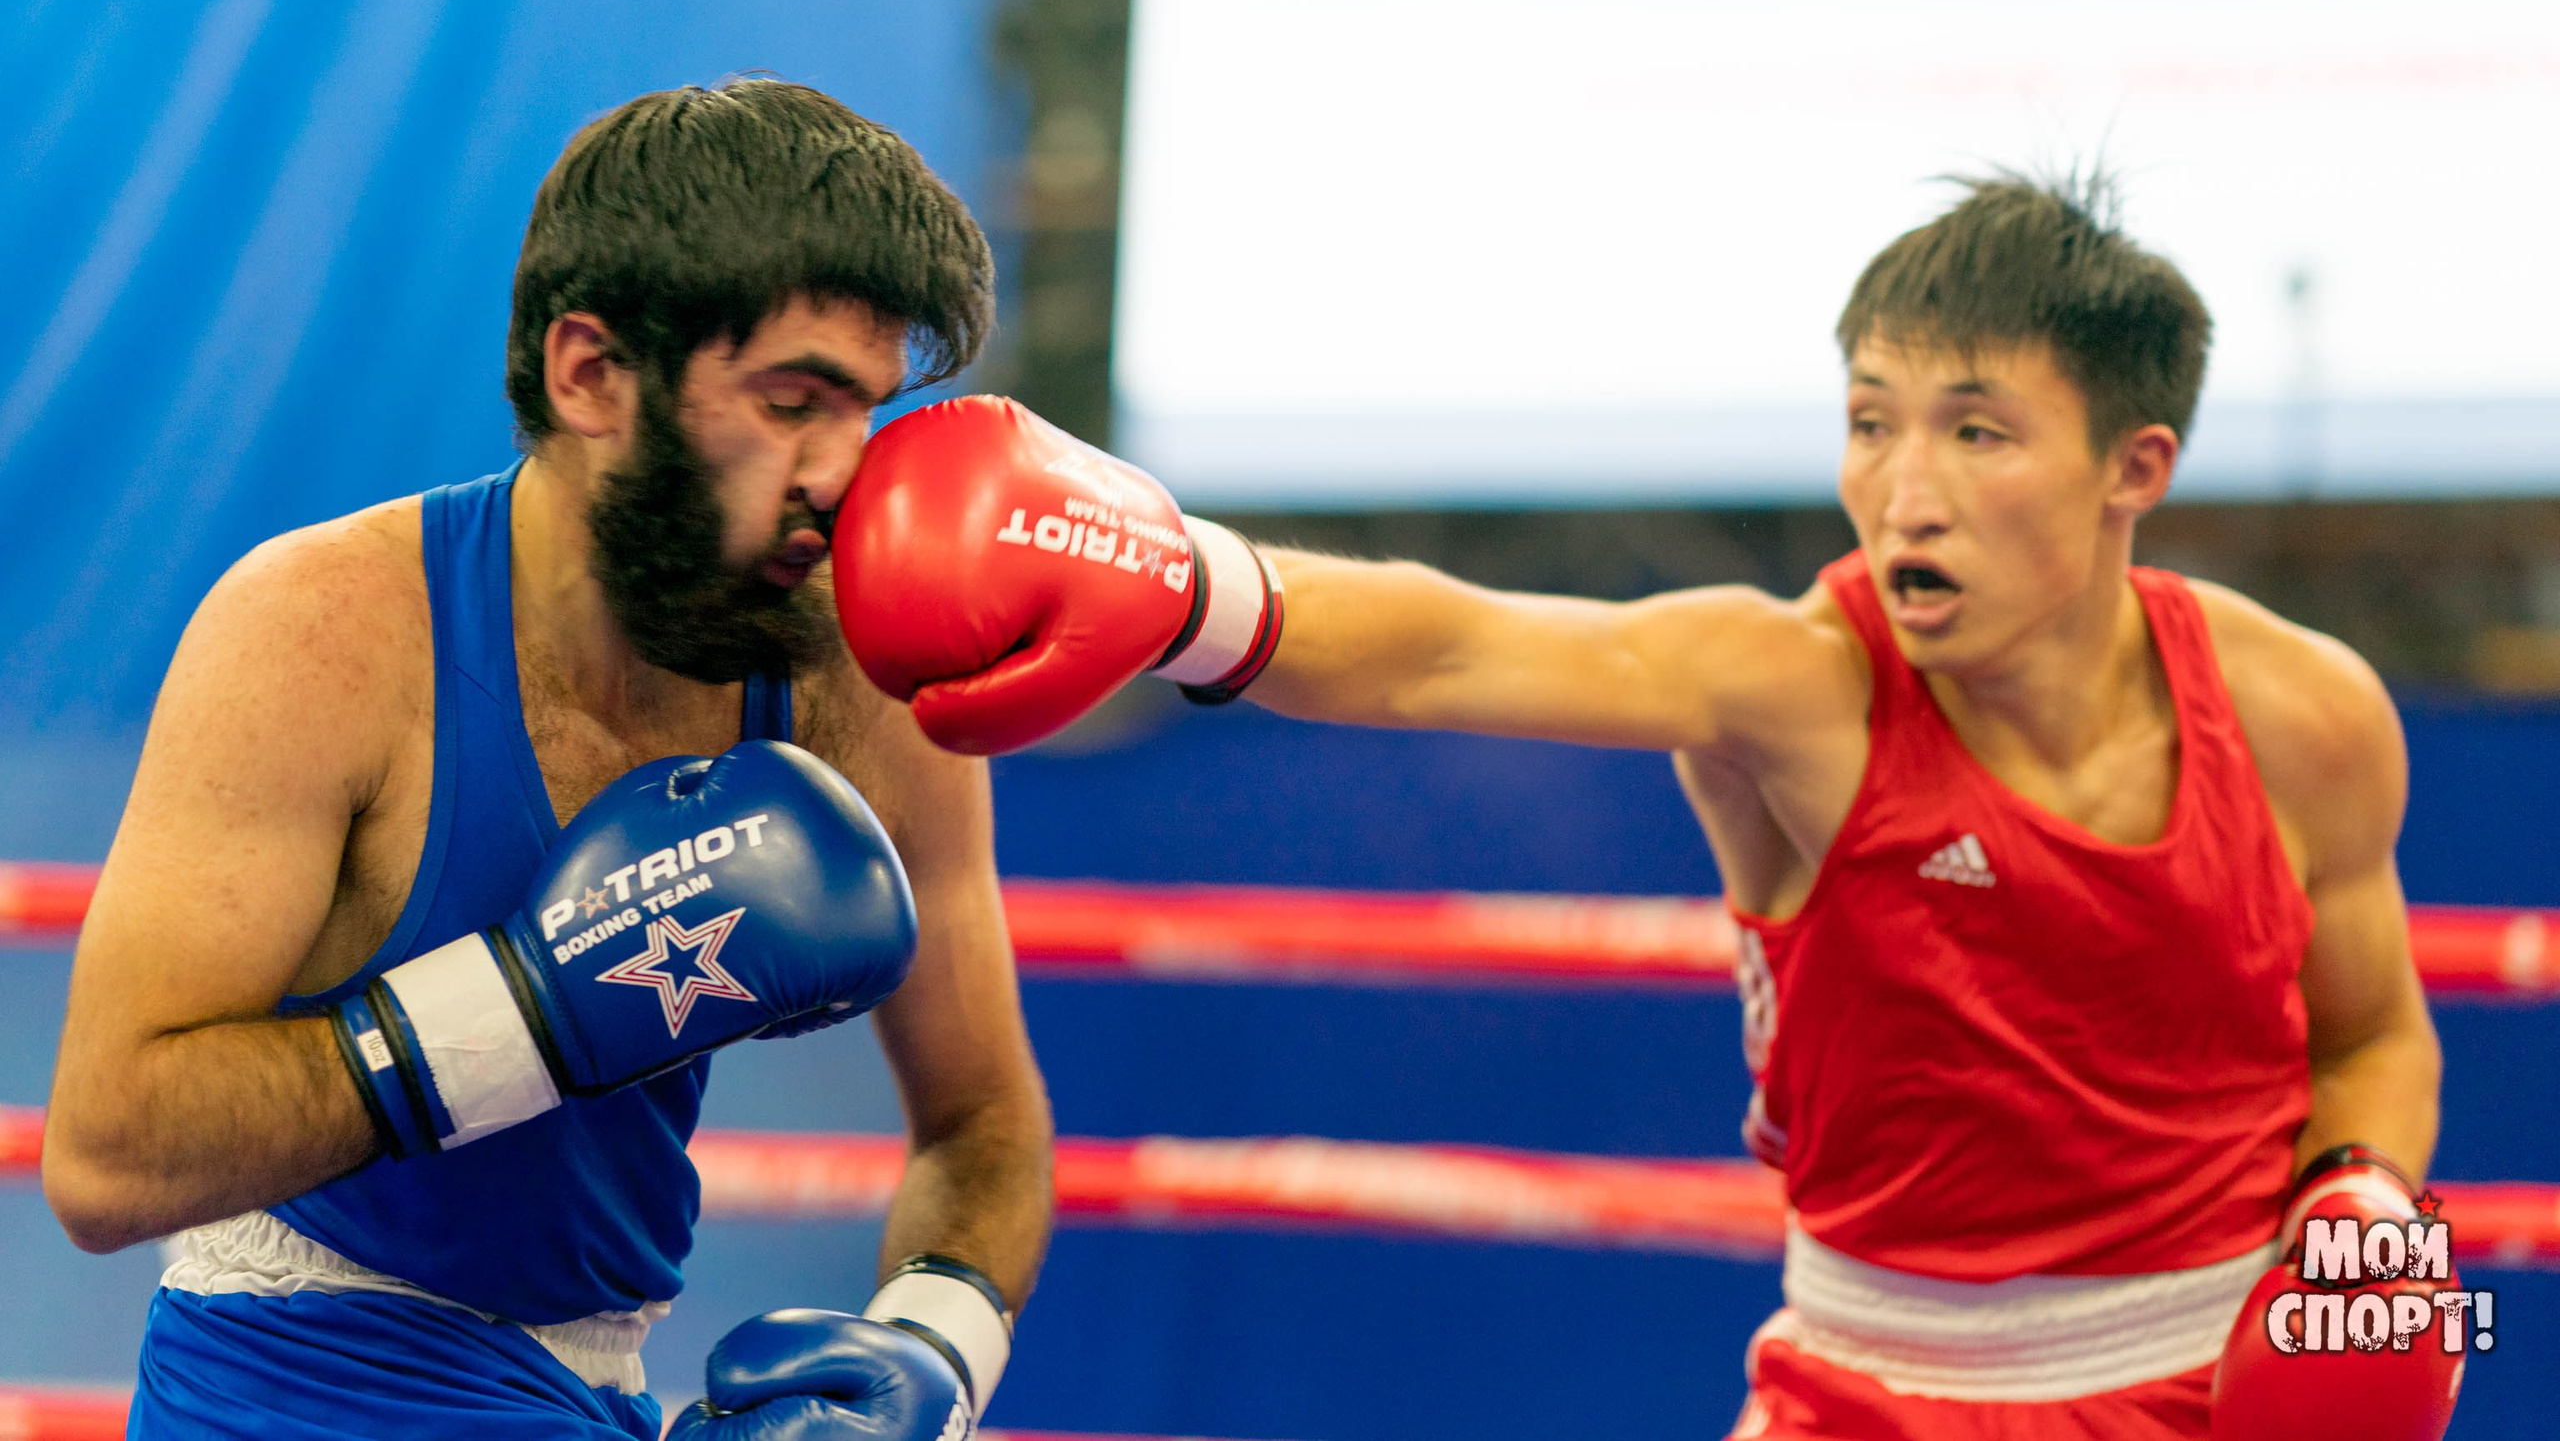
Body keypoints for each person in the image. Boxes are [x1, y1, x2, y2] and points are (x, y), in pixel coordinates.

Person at [834, 173, 2460, 1439]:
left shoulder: (2301, 716)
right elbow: (1459, 648)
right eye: (1872, 422)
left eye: (1978, 433)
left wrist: (2366, 1201)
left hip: (2221, 1383)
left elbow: (2376, 1035)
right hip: (1873, 1394)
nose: (1907, 491)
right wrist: (1188, 583)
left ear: (2134, 467)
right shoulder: (1802, 689)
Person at [42, 80, 1053, 1441]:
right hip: (286, 1379)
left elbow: (984, 1124)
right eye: (791, 401)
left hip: (589, 1393)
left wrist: (934, 1356)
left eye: (864, 412)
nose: (838, 470)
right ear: (588, 374)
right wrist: (523, 1016)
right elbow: (106, 1159)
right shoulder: (324, 631)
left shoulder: (854, 681)